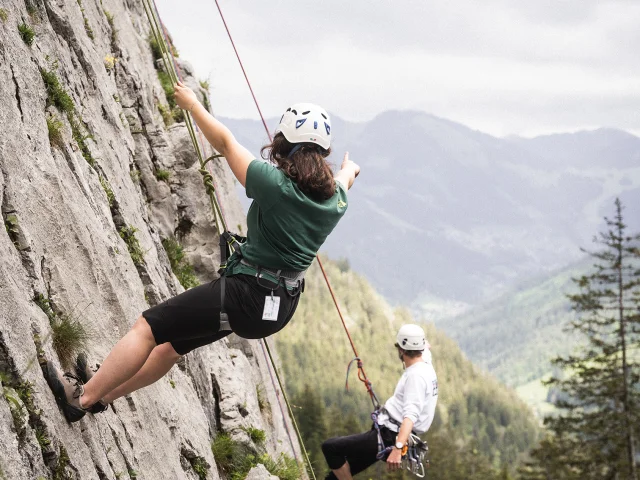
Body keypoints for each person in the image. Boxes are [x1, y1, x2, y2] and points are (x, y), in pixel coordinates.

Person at [44, 82, 360, 423]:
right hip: (276, 309)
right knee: (170, 346)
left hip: (246, 295)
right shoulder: (335, 201)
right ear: (321, 153)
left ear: (284, 145)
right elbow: (345, 178)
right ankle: (102, 394)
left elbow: (225, 143)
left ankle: (82, 398)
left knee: (148, 327)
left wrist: (193, 105)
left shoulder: (275, 185)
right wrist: (349, 168)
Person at [321, 324, 438, 479]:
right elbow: (424, 348)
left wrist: (397, 448)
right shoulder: (426, 365)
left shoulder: (415, 377)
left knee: (331, 448)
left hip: (390, 436)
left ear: (401, 350)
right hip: (387, 431)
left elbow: (410, 416)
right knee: (334, 477)